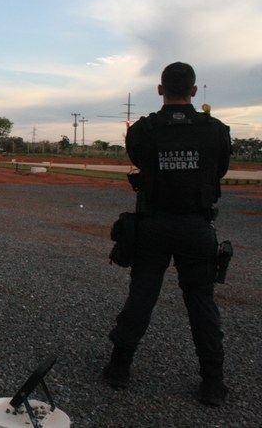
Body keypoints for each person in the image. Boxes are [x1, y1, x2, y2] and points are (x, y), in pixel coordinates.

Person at [103, 62, 232, 407]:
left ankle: (119, 368)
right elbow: (219, 170)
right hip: (196, 226)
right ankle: (213, 383)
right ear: (193, 91)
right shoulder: (216, 129)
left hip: (154, 224)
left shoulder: (143, 130)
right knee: (201, 301)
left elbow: (139, 160)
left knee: (142, 296)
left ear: (160, 90)